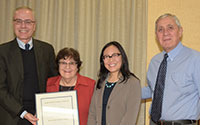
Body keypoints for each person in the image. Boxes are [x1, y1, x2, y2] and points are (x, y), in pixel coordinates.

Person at [0, 6, 58, 125]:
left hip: (41, 116)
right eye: (18, 21)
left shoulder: (47, 50)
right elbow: (1, 89)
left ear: (34, 26)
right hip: (13, 117)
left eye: (28, 22)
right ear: (13, 24)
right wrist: (22, 112)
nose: (23, 26)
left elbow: (54, 82)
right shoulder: (2, 51)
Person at [142, 13, 200, 125]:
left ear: (180, 31)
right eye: (160, 29)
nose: (165, 33)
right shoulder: (155, 61)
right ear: (156, 35)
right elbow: (153, 90)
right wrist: (123, 90)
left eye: (170, 27)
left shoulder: (195, 59)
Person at [87, 41, 141, 125]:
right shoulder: (100, 82)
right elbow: (92, 114)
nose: (111, 59)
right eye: (106, 56)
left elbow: (129, 118)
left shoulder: (133, 83)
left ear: (122, 57)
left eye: (115, 55)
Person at [46, 47, 95, 125]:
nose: (67, 67)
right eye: (63, 63)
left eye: (71, 63)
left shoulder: (91, 85)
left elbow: (96, 115)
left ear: (77, 66)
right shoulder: (48, 84)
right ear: (58, 65)